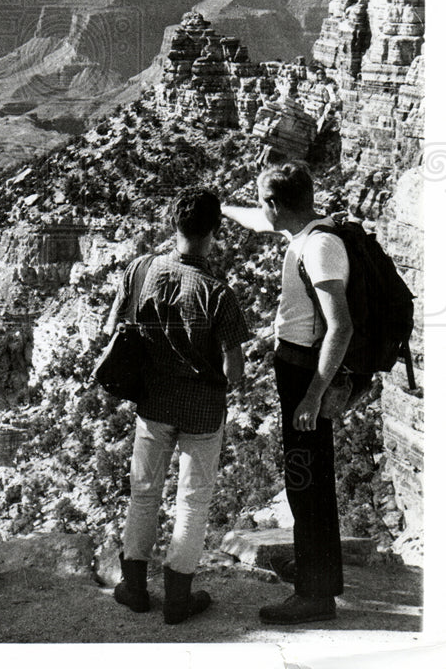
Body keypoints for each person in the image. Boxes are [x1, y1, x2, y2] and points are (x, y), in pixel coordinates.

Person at [105, 188, 250, 625]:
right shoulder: (218, 294)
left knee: (144, 493)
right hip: (202, 411)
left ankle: (134, 587)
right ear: (215, 232)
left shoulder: (140, 270)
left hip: (153, 403)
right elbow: (235, 370)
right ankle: (178, 598)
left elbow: (112, 328)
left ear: (173, 223)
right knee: (192, 501)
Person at [222, 160, 352, 624]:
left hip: (307, 377)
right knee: (303, 478)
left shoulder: (319, 248)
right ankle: (315, 573)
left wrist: (315, 395)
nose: (261, 211)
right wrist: (223, 208)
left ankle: (315, 597)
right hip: (297, 372)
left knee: (308, 482)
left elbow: (340, 327)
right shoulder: (303, 232)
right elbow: (259, 221)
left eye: (263, 202)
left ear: (278, 204)